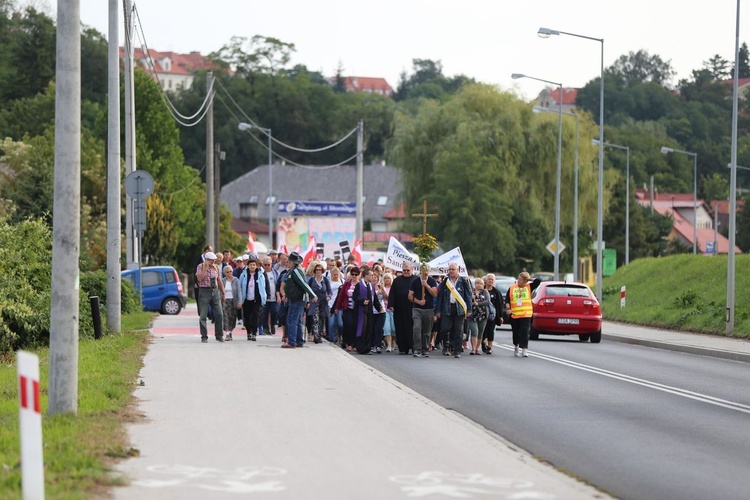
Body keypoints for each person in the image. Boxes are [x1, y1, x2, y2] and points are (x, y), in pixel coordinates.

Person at [280, 251, 317, 348]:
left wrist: (312, 295)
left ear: (291, 261)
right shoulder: (295, 270)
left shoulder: (296, 271)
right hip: (296, 298)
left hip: (297, 299)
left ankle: (292, 342)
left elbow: (304, 284)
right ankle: (299, 341)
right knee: (297, 320)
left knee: (292, 320)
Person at [435, 263, 473, 358]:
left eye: (453, 269)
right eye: (450, 269)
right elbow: (440, 297)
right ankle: (446, 346)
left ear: (458, 270)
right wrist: (438, 311)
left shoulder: (463, 282)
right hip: (447, 308)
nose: (451, 271)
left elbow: (468, 296)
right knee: (444, 329)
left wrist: (469, 309)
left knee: (458, 330)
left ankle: (457, 350)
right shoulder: (445, 281)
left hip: (459, 309)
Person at [506, 271, 541, 357]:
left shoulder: (529, 287)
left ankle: (524, 349)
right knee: (516, 332)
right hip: (515, 314)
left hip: (526, 314)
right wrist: (508, 309)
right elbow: (507, 300)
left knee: (524, 332)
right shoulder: (512, 288)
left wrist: (529, 279)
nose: (519, 281)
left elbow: (538, 281)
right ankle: (516, 346)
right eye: (518, 279)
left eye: (521, 280)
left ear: (525, 281)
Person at [408, 262, 438, 358]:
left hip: (429, 309)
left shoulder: (432, 281)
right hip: (417, 309)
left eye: (426, 271)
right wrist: (418, 301)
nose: (425, 273)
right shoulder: (415, 281)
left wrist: (427, 286)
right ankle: (417, 349)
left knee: (427, 331)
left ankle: (425, 348)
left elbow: (434, 293)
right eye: (423, 271)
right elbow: (410, 295)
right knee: (417, 328)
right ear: (420, 271)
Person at [332, 266, 365, 352]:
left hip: (357, 309)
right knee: (348, 325)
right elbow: (341, 296)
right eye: (352, 274)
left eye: (356, 274)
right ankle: (349, 343)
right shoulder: (347, 284)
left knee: (355, 326)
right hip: (347, 308)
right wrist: (337, 307)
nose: (354, 276)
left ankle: (355, 344)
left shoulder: (361, 284)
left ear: (359, 275)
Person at [195, 251, 225, 343]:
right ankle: (204, 336)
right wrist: (206, 268)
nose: (212, 262)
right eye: (211, 260)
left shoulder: (216, 267)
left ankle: (219, 335)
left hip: (214, 291)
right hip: (204, 291)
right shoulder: (201, 266)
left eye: (213, 260)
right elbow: (199, 278)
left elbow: (218, 280)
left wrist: (223, 292)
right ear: (206, 260)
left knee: (219, 313)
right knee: (203, 315)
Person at [239, 258, 267, 341]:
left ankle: (254, 333)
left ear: (256, 266)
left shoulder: (260, 274)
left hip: (256, 299)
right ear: (247, 266)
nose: (252, 266)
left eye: (254, 265)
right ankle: (249, 332)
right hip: (246, 299)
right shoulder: (243, 274)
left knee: (255, 316)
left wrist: (265, 296)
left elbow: (264, 286)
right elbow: (240, 286)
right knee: (247, 317)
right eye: (250, 265)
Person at [391, 263, 416, 355]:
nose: (406, 272)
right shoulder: (397, 280)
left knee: (413, 328)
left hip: (412, 307)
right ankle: (402, 347)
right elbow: (392, 293)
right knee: (400, 327)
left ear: (412, 270)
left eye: (408, 270)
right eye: (404, 270)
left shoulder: (416, 279)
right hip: (399, 308)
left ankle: (413, 346)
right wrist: (391, 305)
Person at [307, 262, 332, 344]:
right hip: (314, 303)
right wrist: (308, 301)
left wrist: (329, 296)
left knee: (322, 319)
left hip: (323, 303)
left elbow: (329, 291)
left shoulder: (325, 280)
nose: (318, 271)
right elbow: (308, 290)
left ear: (322, 271)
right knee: (315, 319)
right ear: (315, 271)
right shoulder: (311, 280)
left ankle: (320, 335)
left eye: (320, 270)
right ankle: (316, 336)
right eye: (317, 270)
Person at [481, 274, 505, 354]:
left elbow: (500, 305)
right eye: (489, 279)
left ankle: (489, 346)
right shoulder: (482, 290)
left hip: (492, 315)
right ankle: (483, 342)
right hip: (482, 314)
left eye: (492, 280)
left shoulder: (496, 292)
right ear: (486, 280)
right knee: (483, 331)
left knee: (491, 331)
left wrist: (500, 316)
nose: (491, 281)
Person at [468, 277, 490, 355]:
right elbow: (466, 301)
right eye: (477, 283)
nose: (479, 285)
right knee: (474, 331)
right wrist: (472, 300)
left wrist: (479, 303)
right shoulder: (471, 292)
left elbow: (487, 301)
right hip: (473, 315)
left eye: (481, 284)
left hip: (483, 315)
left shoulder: (485, 292)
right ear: (475, 284)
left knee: (480, 332)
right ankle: (473, 348)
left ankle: (477, 348)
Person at [222, 266, 241, 341]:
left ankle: (230, 331)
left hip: (234, 300)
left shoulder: (236, 280)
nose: (229, 273)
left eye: (230, 271)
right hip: (225, 300)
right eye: (227, 272)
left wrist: (240, 301)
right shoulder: (223, 280)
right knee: (225, 316)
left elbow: (239, 291)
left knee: (232, 317)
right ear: (224, 273)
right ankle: (227, 333)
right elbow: (220, 290)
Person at [261, 256, 278, 336]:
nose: (267, 266)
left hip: (274, 297)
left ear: (271, 264)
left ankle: (272, 325)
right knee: (264, 313)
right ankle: (265, 328)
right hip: (264, 297)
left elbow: (278, 284)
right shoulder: (260, 273)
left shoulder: (275, 273)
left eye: (269, 264)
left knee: (274, 312)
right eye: (265, 265)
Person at [326, 266, 344, 343]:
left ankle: (340, 335)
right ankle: (332, 340)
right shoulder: (329, 282)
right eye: (334, 274)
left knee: (340, 323)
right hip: (330, 305)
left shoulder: (342, 281)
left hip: (339, 305)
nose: (335, 276)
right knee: (331, 323)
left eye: (337, 274)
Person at [381, 273, 396, 352]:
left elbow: (389, 298)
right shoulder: (382, 288)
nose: (387, 279)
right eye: (385, 278)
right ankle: (389, 345)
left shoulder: (394, 288)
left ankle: (393, 342)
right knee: (387, 328)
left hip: (393, 310)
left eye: (388, 278)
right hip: (385, 310)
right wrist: (382, 289)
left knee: (393, 328)